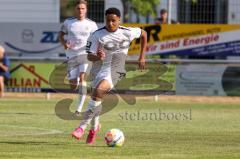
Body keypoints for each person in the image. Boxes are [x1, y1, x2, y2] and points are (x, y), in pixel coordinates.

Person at [71, 7, 148, 144]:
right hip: (98, 69)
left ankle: (81, 127)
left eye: (113, 20)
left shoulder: (128, 32)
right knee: (96, 99)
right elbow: (90, 56)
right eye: (108, 20)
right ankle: (95, 128)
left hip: (116, 68)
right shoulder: (97, 35)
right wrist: (97, 56)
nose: (110, 23)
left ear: (119, 20)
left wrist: (142, 57)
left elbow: (144, 34)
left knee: (98, 92)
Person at [59, 0, 98, 116]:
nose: (80, 10)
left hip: (85, 55)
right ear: (75, 10)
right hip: (71, 55)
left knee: (83, 78)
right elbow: (61, 34)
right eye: (78, 8)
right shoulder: (68, 22)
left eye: (82, 8)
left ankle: (78, 109)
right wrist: (64, 43)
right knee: (73, 85)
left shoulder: (91, 24)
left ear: (86, 10)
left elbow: (97, 38)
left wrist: (94, 52)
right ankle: (74, 80)